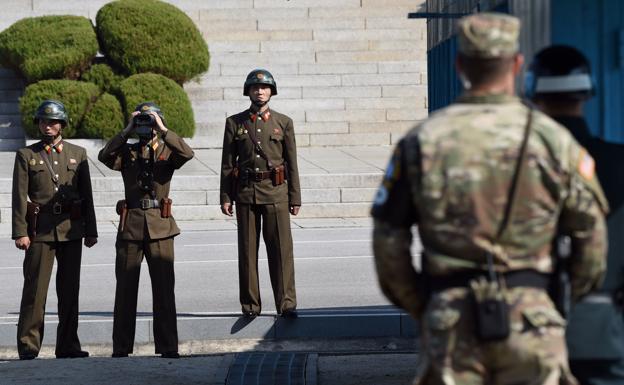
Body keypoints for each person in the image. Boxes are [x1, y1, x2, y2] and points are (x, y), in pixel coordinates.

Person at [372, 13, 608, 385]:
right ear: (516, 64)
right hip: (533, 323)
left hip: (450, 322)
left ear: (460, 64)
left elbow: (388, 241)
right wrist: (551, 303)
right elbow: (592, 241)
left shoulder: (422, 140)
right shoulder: (553, 140)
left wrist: (431, 305)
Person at [527, 45, 624, 385]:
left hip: (525, 334)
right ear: (588, 91)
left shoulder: (511, 169)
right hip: (604, 335)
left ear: (532, 91)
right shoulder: (618, 163)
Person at [98, 102, 194, 358]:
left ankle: (167, 347)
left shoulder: (167, 149)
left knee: (164, 291)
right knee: (125, 291)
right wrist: (127, 129)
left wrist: (163, 129)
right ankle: (121, 348)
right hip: (130, 227)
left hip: (160, 227)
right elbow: (104, 157)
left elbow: (187, 154)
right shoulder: (127, 152)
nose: (145, 126)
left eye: (148, 121)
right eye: (143, 121)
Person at [12, 99, 98, 360]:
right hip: (40, 231)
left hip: (70, 229)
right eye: (42, 121)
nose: (47, 126)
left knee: (70, 291)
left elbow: (87, 195)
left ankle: (68, 346)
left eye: (52, 121)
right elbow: (18, 197)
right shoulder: (27, 155)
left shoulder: (77, 153)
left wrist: (90, 230)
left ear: (62, 124)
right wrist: (20, 232)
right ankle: (28, 346)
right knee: (35, 291)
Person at [220, 69, 301, 318]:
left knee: (281, 251)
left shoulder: (283, 122)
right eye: (255, 88)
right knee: (247, 251)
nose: (260, 91)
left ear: (271, 91)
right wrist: (225, 196)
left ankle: (286, 303)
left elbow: (292, 162)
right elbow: (227, 163)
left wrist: (295, 197)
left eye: (264, 87)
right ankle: (251, 305)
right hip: (245, 193)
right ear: (248, 91)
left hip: (276, 193)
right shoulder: (235, 122)